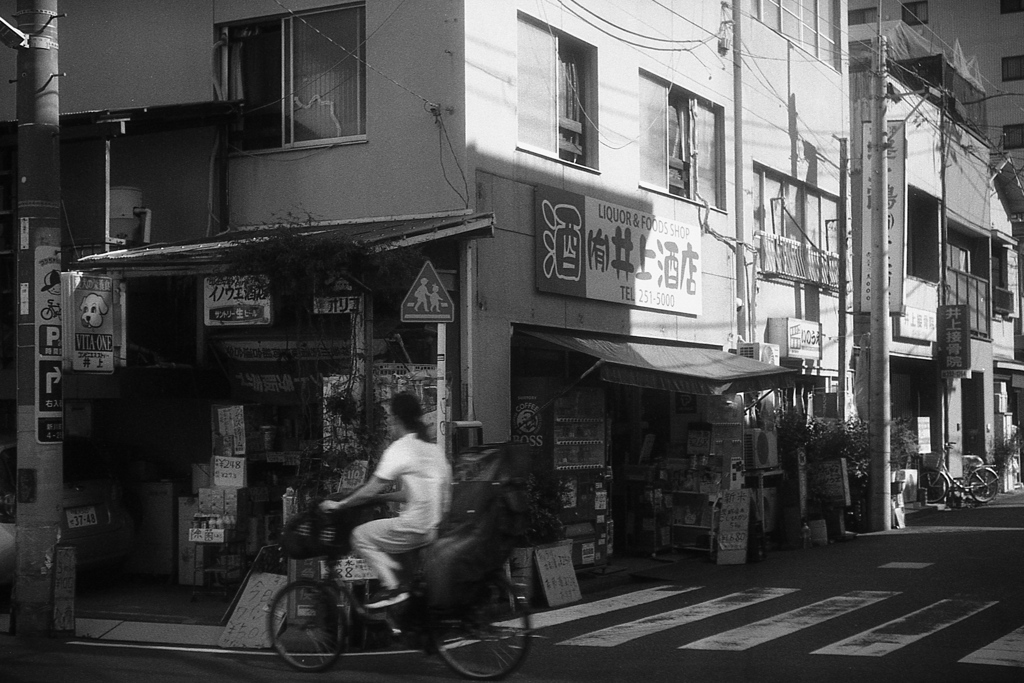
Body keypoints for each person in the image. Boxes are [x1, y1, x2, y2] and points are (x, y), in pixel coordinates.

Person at [321, 392, 451, 609]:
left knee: (359, 535)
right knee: (394, 549)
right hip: (432, 528)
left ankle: (392, 589)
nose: (390, 423)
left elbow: (369, 489)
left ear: (396, 419)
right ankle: (403, 606)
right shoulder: (434, 450)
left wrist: (339, 504)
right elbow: (417, 493)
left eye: (390, 418)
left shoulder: (400, 449)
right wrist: (384, 498)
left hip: (413, 527)